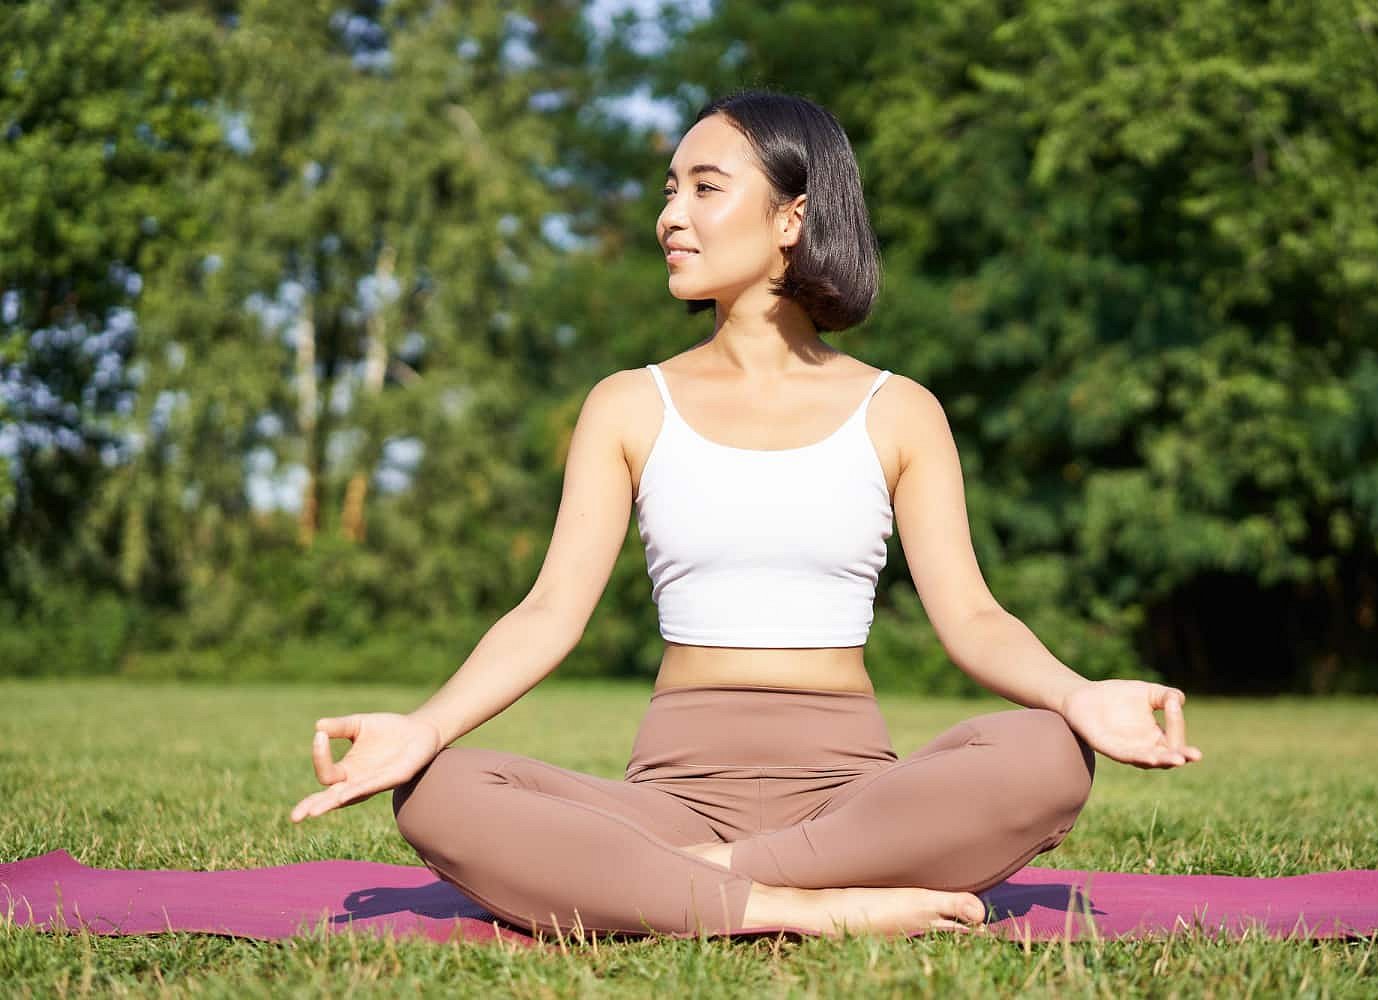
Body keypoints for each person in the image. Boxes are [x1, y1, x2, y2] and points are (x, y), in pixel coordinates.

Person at [288, 89, 1201, 940]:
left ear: (793, 217)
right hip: (670, 794)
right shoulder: (628, 404)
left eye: (704, 188)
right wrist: (427, 724)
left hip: (852, 799)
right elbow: (549, 612)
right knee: (437, 788)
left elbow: (972, 617)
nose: (670, 216)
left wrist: (1080, 696)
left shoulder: (899, 409)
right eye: (669, 190)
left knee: (1048, 751)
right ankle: (797, 904)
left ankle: (679, 883)